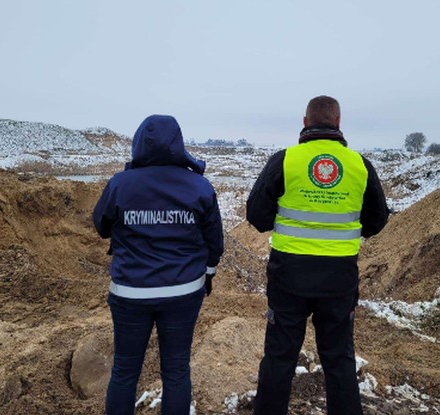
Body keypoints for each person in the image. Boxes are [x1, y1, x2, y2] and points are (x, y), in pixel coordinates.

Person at [246, 96, 389, 415]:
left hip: (288, 278)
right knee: (339, 360)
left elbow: (256, 215)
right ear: (338, 123)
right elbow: (377, 221)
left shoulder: (285, 160)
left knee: (279, 358)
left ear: (305, 122)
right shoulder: (359, 165)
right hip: (339, 280)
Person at [93, 114, 224, 415]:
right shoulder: (199, 187)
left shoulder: (120, 184)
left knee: (124, 372)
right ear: (178, 144)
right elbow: (214, 241)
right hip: (183, 292)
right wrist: (208, 272)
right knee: (176, 371)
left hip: (129, 293)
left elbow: (101, 226)